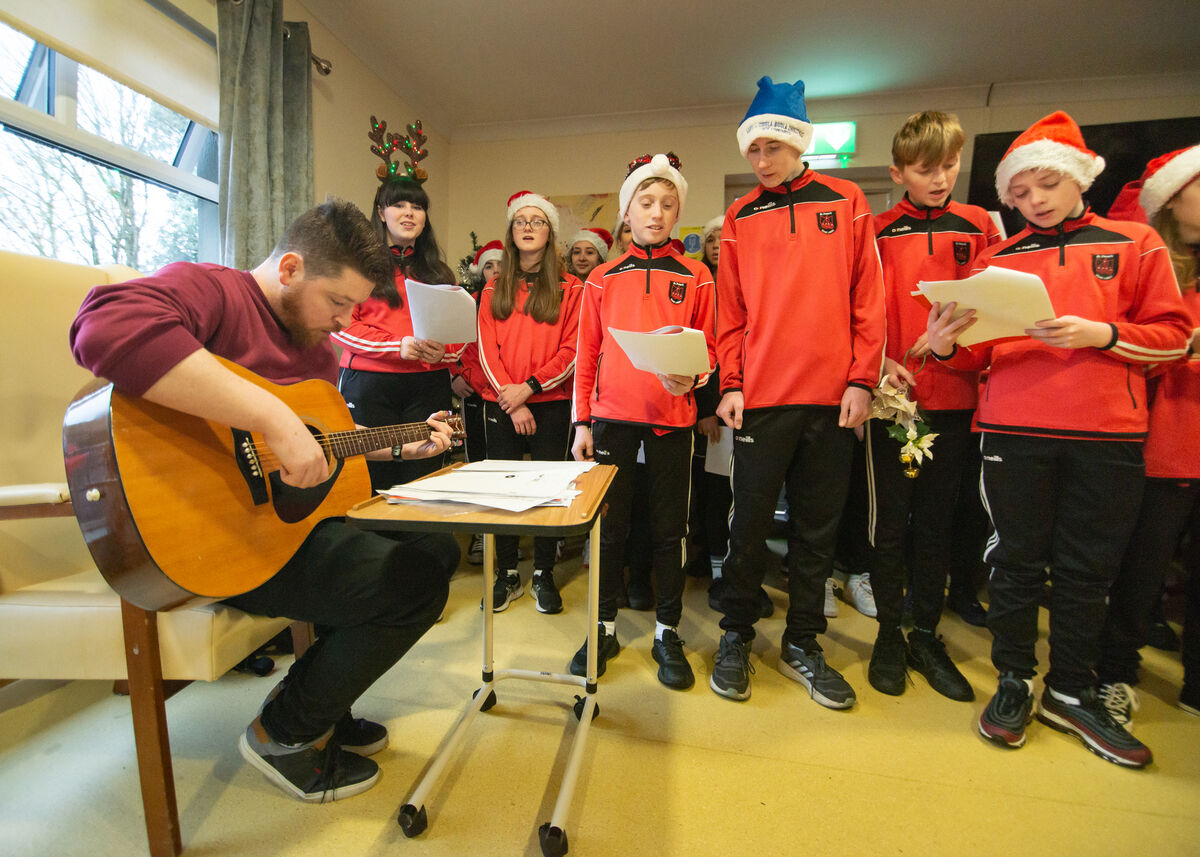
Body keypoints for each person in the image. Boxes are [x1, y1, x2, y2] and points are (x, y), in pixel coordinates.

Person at [68, 200, 457, 802]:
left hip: (286, 528)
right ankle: (284, 733)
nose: (343, 321)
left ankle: (322, 698)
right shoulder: (214, 291)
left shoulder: (319, 353)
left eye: (354, 308)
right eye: (337, 303)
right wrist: (270, 416)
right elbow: (103, 325)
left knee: (436, 550)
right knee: (411, 585)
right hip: (209, 535)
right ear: (291, 267)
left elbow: (322, 447)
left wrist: (403, 447)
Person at [926, 112, 1190, 767]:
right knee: (1014, 566)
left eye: (1046, 184)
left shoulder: (1136, 244)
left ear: (1078, 179)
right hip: (1012, 433)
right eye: (1019, 191)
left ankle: (1070, 690)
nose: (1034, 199)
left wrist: (1100, 334)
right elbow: (969, 360)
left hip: (1108, 436)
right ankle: (1014, 680)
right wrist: (943, 345)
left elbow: (1176, 338)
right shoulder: (997, 259)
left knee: (1086, 572)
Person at [709, 76, 885, 708]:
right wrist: (731, 382)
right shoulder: (739, 215)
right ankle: (735, 635)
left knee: (817, 531)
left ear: (799, 144)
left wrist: (863, 379)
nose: (761, 161)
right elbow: (729, 311)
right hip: (761, 397)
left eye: (772, 149)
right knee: (748, 527)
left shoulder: (848, 200)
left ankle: (804, 643)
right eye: (752, 150)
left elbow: (869, 297)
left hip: (833, 397)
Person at [864, 110, 1001, 701]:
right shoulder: (875, 230)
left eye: (949, 165)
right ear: (899, 172)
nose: (941, 178)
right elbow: (859, 312)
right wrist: (874, 364)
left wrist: (954, 350)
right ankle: (889, 633)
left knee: (940, 526)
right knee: (890, 526)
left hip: (956, 400)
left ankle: (926, 632)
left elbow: (994, 313)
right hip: (893, 405)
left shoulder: (978, 227)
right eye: (926, 169)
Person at [571, 153, 716, 690]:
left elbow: (710, 351)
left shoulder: (697, 276)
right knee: (610, 527)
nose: (656, 214)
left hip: (671, 423)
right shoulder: (602, 279)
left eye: (667, 205)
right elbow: (587, 354)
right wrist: (582, 423)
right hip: (610, 420)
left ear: (678, 212)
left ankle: (666, 629)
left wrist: (695, 380)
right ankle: (604, 625)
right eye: (646, 203)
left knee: (668, 529)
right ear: (627, 211)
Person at [1096, 143, 1200, 723]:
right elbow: (1126, 345)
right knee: (1140, 572)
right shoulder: (1146, 264)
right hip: (1159, 444)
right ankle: (1114, 672)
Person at [476, 191, 583, 612]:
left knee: (547, 492)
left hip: (550, 401)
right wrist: (512, 398)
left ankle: (542, 572)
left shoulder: (570, 288)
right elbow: (486, 349)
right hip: (502, 403)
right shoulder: (490, 288)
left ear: (550, 233)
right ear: (510, 231)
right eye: (520, 221)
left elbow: (574, 350)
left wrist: (531, 389)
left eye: (537, 221)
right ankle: (506, 572)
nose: (528, 227)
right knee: (502, 492)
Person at [332, 157, 462, 491]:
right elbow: (342, 326)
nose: (408, 213)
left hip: (428, 387)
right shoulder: (357, 266)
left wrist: (442, 355)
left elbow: (458, 336)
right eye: (398, 205)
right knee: (368, 481)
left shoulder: (439, 273)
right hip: (369, 385)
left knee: (425, 482)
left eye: (417, 207)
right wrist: (397, 347)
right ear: (380, 212)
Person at [454, 240, 503, 565]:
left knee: (503, 467)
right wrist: (454, 375)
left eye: (501, 265)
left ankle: (505, 534)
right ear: (480, 270)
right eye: (489, 266)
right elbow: (452, 342)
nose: (495, 271)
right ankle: (480, 535)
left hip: (503, 393)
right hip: (473, 393)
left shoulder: (514, 303)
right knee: (477, 465)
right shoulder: (466, 303)